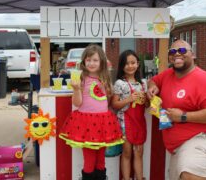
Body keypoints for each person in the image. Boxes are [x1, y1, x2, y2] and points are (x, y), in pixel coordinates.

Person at [146, 40, 206, 180]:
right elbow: (154, 80)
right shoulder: (167, 75)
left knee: (190, 175)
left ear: (193, 54)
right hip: (180, 147)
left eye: (182, 51)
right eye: (172, 52)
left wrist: (184, 116)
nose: (177, 54)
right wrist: (152, 86)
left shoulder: (205, 80)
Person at [59, 44, 124, 180]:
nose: (91, 63)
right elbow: (77, 103)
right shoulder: (81, 78)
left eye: (95, 60)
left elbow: (107, 101)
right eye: (88, 60)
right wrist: (76, 89)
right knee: (89, 160)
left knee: (101, 160)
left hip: (103, 123)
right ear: (83, 62)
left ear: (101, 62)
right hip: (86, 124)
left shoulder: (105, 78)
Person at [111, 50, 148, 180]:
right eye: (127, 63)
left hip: (139, 122)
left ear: (138, 64)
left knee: (139, 153)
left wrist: (148, 99)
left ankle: (139, 178)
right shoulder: (119, 83)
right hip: (125, 122)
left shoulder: (143, 84)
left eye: (133, 63)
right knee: (126, 154)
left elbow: (147, 105)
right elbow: (114, 104)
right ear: (122, 66)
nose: (130, 66)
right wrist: (129, 99)